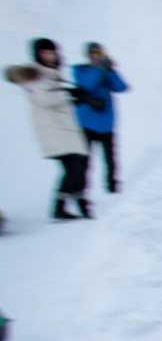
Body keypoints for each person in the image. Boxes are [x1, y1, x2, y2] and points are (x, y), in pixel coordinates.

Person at [5, 38, 90, 219]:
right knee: (75, 169)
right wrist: (70, 94)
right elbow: (46, 99)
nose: (49, 56)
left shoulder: (50, 73)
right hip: (54, 130)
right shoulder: (35, 74)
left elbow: (56, 97)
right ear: (37, 55)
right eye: (44, 53)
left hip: (63, 128)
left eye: (51, 52)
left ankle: (76, 203)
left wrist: (74, 96)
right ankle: (61, 207)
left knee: (78, 167)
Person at [71, 43, 128, 194]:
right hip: (86, 122)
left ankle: (113, 187)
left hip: (106, 123)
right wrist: (99, 69)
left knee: (110, 159)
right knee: (84, 160)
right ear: (88, 55)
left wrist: (111, 70)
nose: (98, 55)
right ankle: (81, 190)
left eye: (101, 52)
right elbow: (86, 86)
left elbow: (122, 87)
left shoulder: (105, 71)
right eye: (95, 52)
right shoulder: (80, 70)